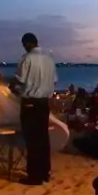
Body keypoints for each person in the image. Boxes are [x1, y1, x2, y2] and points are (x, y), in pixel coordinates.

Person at [12, 33, 57, 185]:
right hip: (44, 103)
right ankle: (44, 173)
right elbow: (54, 81)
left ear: (27, 43)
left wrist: (11, 87)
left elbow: (19, 81)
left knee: (32, 140)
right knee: (43, 139)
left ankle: (34, 176)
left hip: (30, 103)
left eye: (24, 45)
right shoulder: (49, 59)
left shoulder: (27, 58)